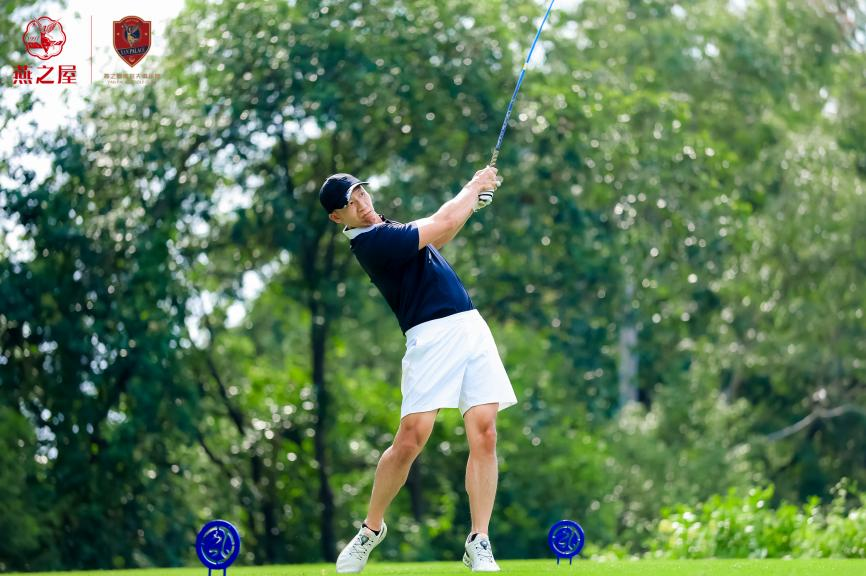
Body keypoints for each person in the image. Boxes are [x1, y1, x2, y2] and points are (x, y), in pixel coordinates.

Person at [319, 167, 518, 573]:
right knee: (411, 438)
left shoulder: (385, 226)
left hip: (469, 325)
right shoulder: (371, 241)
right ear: (338, 218)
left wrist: (469, 207)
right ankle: (371, 530)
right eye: (350, 204)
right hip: (429, 336)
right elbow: (442, 222)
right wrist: (473, 187)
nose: (362, 204)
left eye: (361, 194)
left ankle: (479, 540)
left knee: (485, 432)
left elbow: (440, 236)